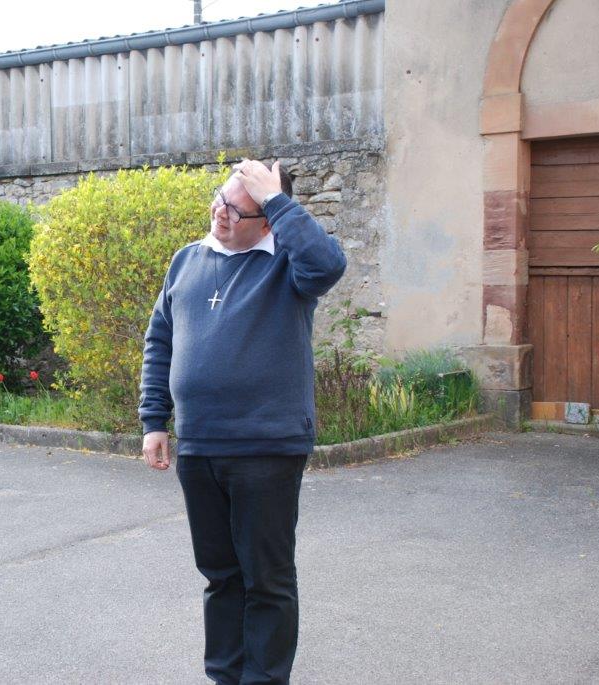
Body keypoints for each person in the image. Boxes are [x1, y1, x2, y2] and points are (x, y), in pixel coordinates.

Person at [139, 158, 346, 684]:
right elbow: (160, 341)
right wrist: (154, 420)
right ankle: (225, 676)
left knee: (267, 580)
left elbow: (328, 265)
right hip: (200, 446)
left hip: (266, 447)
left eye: (238, 209)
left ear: (269, 221)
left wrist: (278, 199)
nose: (220, 213)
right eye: (220, 198)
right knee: (220, 576)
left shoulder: (289, 266)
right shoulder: (187, 260)